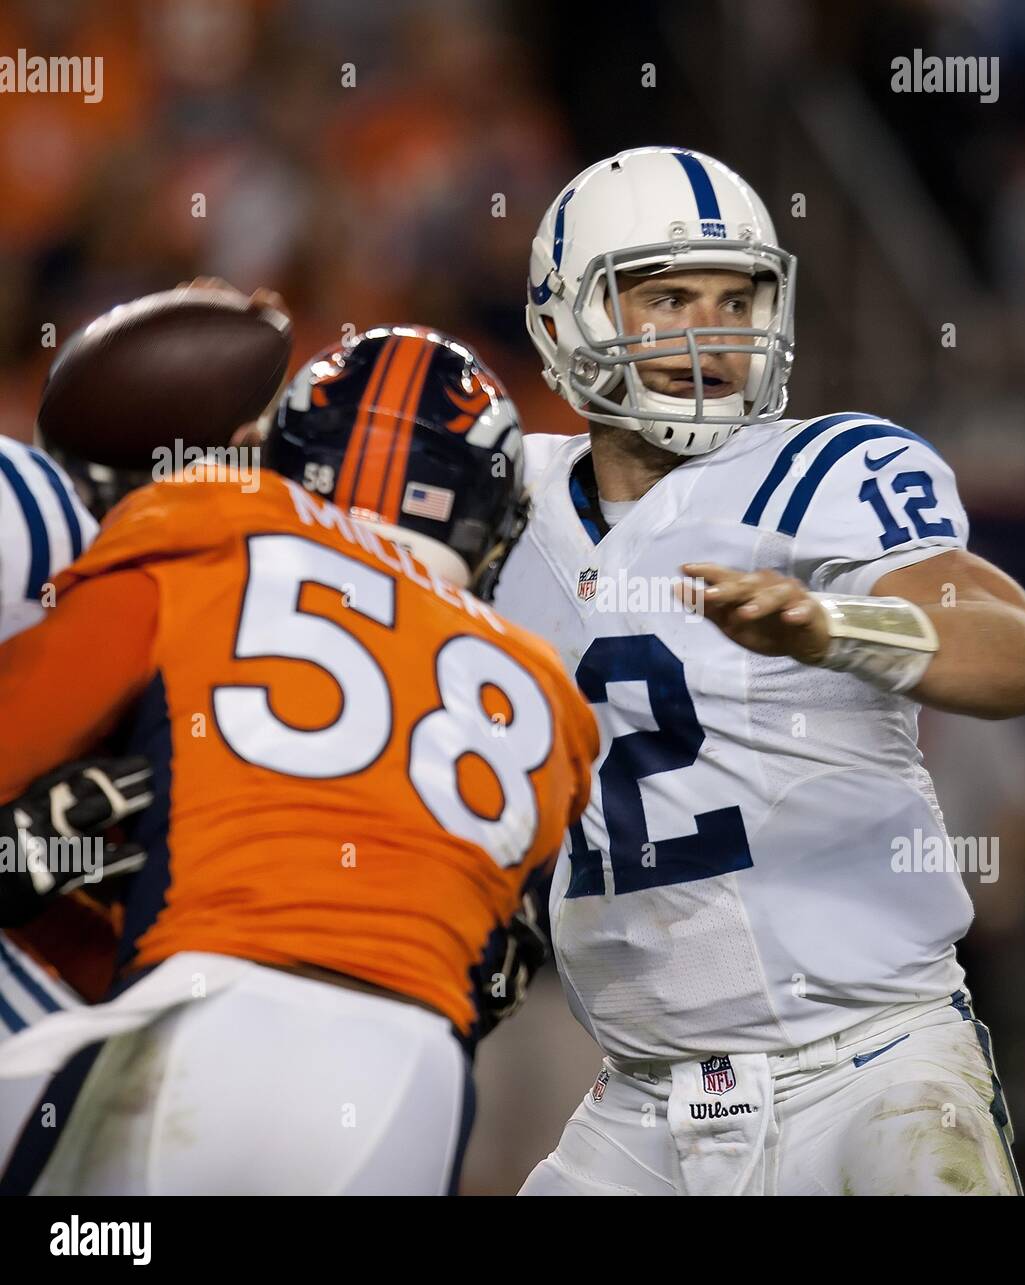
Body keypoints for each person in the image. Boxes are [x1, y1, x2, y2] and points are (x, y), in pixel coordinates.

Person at [494, 147, 1025, 1195]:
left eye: (736, 297)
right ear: (561, 315)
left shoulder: (820, 472)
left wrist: (833, 627)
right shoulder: (503, 505)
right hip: (639, 1096)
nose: (709, 334)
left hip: (870, 1064)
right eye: (664, 298)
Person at [0, 325, 597, 1195]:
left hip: (200, 1026)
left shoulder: (207, 530)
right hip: (414, 1086)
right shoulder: (548, 694)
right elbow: (482, 967)